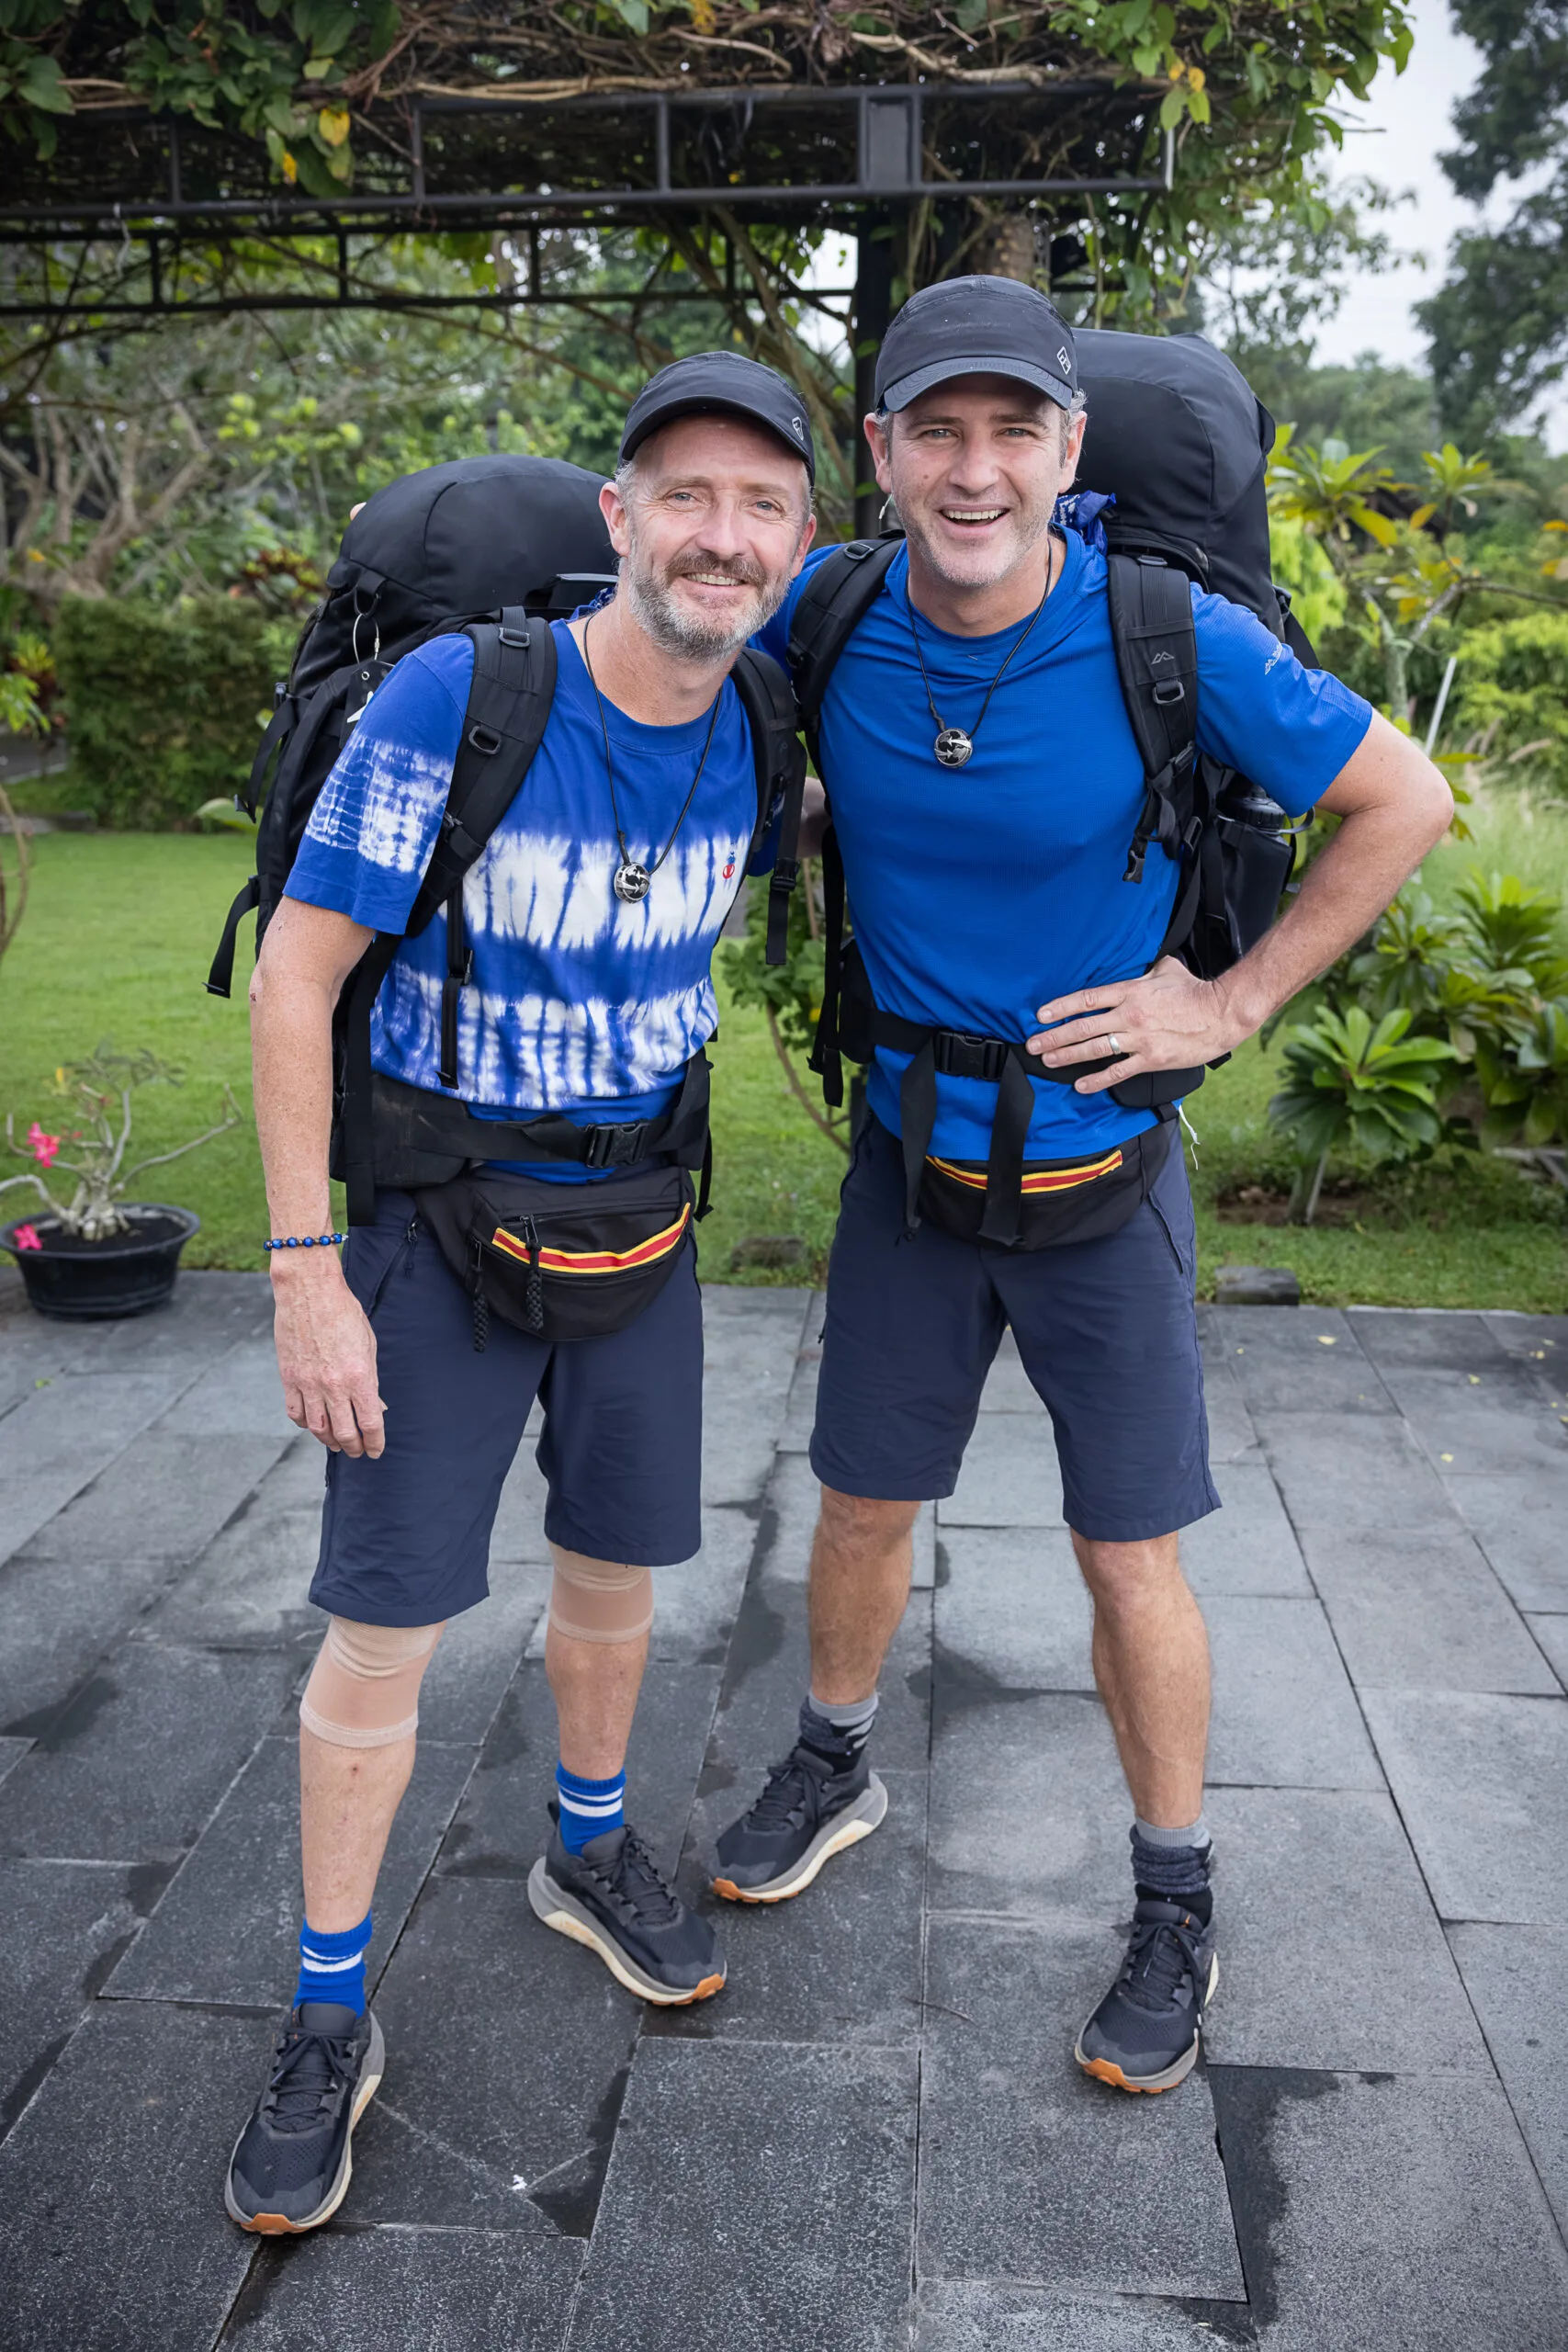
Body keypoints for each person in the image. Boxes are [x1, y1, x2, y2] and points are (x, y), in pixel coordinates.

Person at [716, 276, 1452, 2096]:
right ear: (877, 454)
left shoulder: (1167, 632)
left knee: (1129, 1551)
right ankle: (832, 1750)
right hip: (906, 1163)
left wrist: (1232, 992)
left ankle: (1173, 1895)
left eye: (1012, 431)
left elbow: (1406, 798)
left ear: (1066, 450)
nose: (975, 472)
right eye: (935, 432)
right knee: (863, 1499)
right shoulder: (832, 612)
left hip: (1103, 1171)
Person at [224, 352, 817, 2234]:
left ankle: (584, 1847)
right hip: (430, 1230)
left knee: (618, 1575)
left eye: (763, 506)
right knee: (383, 1627)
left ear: (795, 548)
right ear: (620, 519)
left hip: (639, 1218)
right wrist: (305, 1269)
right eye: (686, 494)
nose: (721, 533)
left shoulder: (765, 718)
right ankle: (327, 2009)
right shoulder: (460, 698)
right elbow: (297, 974)